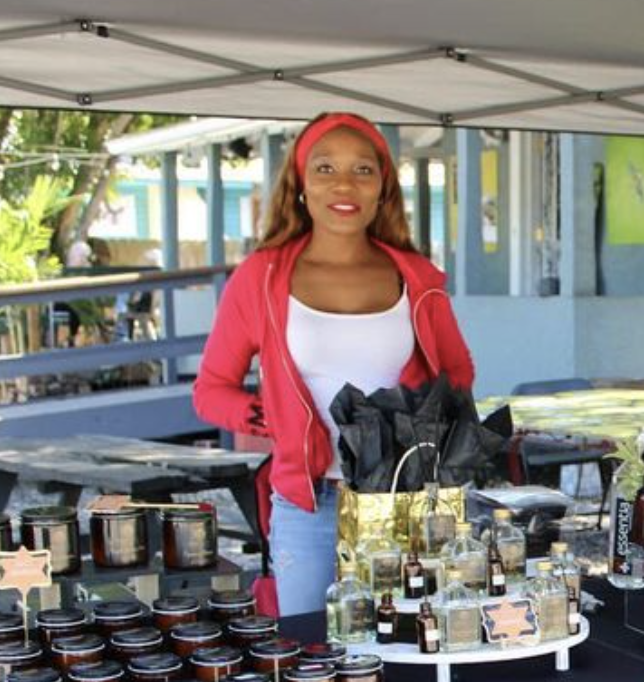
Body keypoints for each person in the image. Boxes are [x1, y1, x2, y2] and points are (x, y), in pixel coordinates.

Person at [193, 112, 476, 615]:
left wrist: (424, 426)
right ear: (300, 184)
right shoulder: (261, 277)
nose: (344, 184)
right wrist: (270, 417)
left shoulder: (418, 277)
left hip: (404, 501)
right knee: (311, 657)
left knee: (410, 647)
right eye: (325, 168)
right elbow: (211, 391)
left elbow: (458, 374)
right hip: (310, 505)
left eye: (363, 170)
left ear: (383, 188)